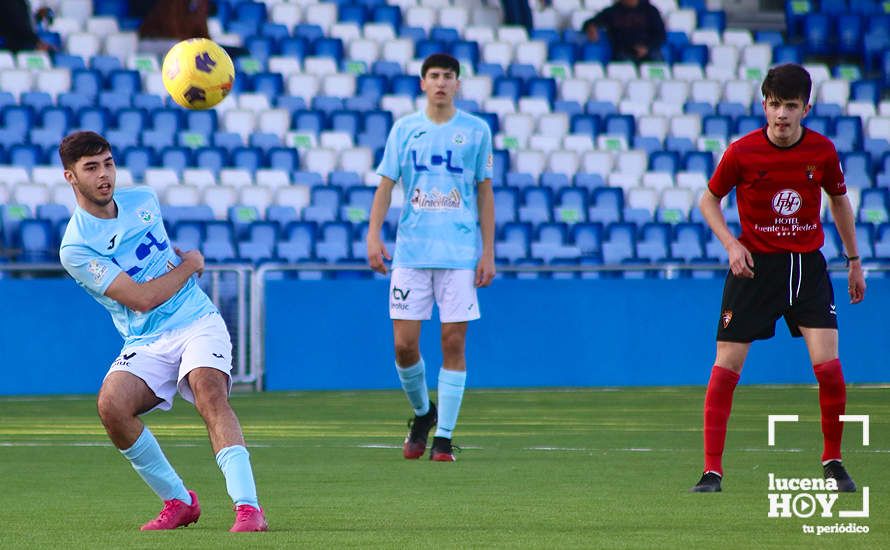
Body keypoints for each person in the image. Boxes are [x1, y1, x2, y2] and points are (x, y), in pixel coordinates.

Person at [57, 131, 268, 531]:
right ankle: (180, 501)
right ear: (71, 177)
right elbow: (140, 299)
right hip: (146, 338)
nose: (105, 175)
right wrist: (192, 265)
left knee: (209, 390)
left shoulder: (143, 200)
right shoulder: (76, 247)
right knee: (112, 407)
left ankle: (248, 508)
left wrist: (180, 269)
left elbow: (158, 259)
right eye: (91, 168)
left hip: (196, 320)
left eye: (109, 163)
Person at [690, 64, 866, 493]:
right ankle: (712, 471)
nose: (781, 114)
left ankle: (833, 460)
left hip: (806, 268)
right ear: (763, 105)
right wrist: (732, 245)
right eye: (774, 104)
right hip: (754, 268)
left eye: (790, 106)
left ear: (807, 107)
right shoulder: (741, 152)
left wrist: (854, 259)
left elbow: (839, 202)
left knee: (829, 368)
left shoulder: (822, 152)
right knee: (726, 365)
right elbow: (708, 201)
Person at [366, 53, 496, 462]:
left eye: (448, 76)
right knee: (404, 346)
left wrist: (487, 250)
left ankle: (443, 437)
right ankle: (424, 413)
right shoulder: (404, 129)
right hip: (411, 252)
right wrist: (373, 235)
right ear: (423, 83)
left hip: (458, 253)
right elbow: (385, 186)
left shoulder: (476, 131)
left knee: (452, 340)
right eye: (434, 76)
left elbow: (485, 191)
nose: (441, 82)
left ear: (458, 84)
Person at [582, 0, 665, 63]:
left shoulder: (650, 11)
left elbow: (660, 35)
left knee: (657, 66)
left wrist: (647, 48)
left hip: (649, 51)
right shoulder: (613, 12)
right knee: (623, 67)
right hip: (624, 52)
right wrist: (591, 27)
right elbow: (590, 22)